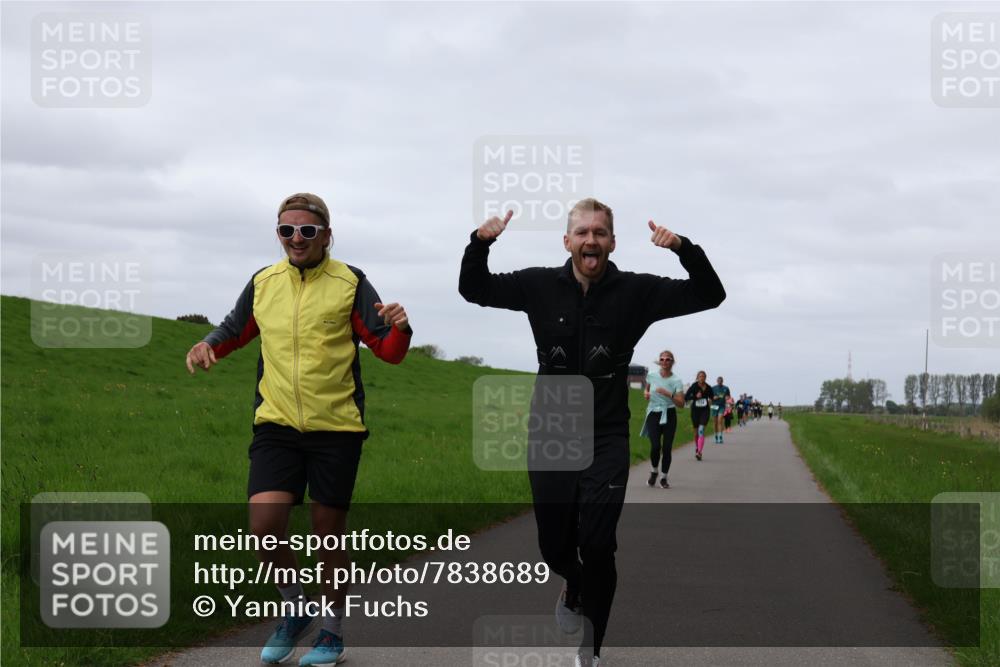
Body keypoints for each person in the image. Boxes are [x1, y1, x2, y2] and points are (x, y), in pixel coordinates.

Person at [459, 198, 725, 665]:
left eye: (600, 233)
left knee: (599, 545)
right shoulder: (538, 284)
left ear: (612, 243)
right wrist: (480, 243)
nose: (591, 240)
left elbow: (710, 294)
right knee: (555, 548)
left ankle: (592, 650)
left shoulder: (637, 292)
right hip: (552, 430)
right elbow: (473, 288)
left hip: (606, 435)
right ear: (567, 241)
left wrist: (683, 247)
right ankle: (573, 586)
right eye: (582, 232)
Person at [185, 193, 412, 667]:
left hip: (336, 428)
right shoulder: (264, 282)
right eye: (286, 230)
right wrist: (207, 345)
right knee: (265, 527)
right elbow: (235, 328)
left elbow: (387, 350)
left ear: (327, 235)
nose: (295, 239)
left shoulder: (350, 283)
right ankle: (296, 607)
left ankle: (331, 631)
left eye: (307, 231)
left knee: (328, 535)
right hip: (276, 423)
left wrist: (401, 328)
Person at [641, 350, 685, 489]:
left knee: (666, 448)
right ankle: (654, 471)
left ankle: (664, 477)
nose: (665, 361)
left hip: (669, 413)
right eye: (662, 359)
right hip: (653, 413)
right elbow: (647, 389)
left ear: (672, 362)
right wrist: (646, 394)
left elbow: (681, 404)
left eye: (668, 359)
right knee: (655, 446)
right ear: (659, 361)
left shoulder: (676, 380)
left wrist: (668, 393)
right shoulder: (652, 376)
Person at [685, 371, 715, 460]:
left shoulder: (709, 387)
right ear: (697, 377)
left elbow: (712, 397)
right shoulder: (694, 386)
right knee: (696, 433)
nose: (702, 378)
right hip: (695, 411)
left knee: (701, 430)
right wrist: (695, 397)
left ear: (705, 378)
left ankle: (699, 452)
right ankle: (697, 447)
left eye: (703, 376)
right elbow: (686, 397)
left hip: (705, 411)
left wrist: (711, 401)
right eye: (700, 376)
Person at [711, 376, 730, 443]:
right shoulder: (713, 388)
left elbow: (728, 396)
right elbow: (710, 397)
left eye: (721, 381)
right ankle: (716, 436)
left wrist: (727, 398)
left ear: (722, 381)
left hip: (722, 406)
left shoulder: (726, 388)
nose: (719, 382)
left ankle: (720, 436)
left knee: (720, 420)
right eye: (718, 381)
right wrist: (714, 398)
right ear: (717, 381)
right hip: (714, 406)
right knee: (715, 422)